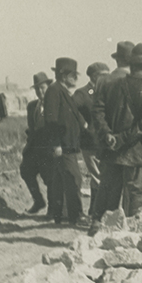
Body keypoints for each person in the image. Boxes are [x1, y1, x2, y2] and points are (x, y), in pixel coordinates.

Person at [89, 43, 142, 236]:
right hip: (136, 153)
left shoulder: (109, 85)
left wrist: (109, 136)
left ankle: (98, 232)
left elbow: (97, 112)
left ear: (130, 63)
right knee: (135, 195)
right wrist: (121, 139)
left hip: (111, 151)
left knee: (107, 192)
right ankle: (130, 236)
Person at [87, 41, 135, 225]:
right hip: (131, 145)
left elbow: (97, 114)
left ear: (117, 60)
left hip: (108, 145)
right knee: (132, 191)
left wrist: (107, 135)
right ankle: (129, 229)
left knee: (107, 188)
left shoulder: (103, 81)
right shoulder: (138, 82)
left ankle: (98, 224)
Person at [43, 57, 88, 226]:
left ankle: (60, 216)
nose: (75, 78)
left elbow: (71, 114)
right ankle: (76, 216)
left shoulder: (61, 91)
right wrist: (56, 144)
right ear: (63, 75)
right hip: (63, 146)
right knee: (73, 178)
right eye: (72, 75)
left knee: (62, 180)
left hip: (67, 145)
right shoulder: (54, 91)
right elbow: (51, 120)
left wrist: (83, 123)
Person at [73, 62, 110, 217]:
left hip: (106, 143)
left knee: (102, 179)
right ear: (95, 76)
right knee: (98, 178)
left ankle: (95, 212)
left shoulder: (108, 92)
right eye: (105, 75)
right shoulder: (83, 93)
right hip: (91, 143)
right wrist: (84, 125)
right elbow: (71, 108)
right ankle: (97, 214)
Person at [20, 71, 54, 214]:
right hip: (35, 148)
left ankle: (54, 209)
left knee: (50, 178)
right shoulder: (32, 106)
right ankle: (39, 201)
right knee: (25, 170)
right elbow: (31, 128)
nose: (40, 92)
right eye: (37, 89)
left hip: (49, 149)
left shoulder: (55, 104)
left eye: (43, 88)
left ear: (48, 88)